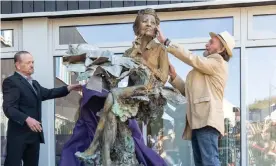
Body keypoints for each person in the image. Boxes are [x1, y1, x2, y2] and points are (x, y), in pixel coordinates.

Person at [156, 27, 235, 166]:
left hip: (207, 121)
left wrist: (167, 42)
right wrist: (174, 77)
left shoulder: (217, 62)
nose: (207, 44)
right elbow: (188, 92)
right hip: (199, 122)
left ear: (222, 49)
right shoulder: (208, 68)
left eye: (211, 42)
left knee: (209, 162)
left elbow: (192, 59)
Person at [2, 51, 81, 166]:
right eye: (28, 62)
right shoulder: (11, 82)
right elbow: (8, 108)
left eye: (32, 62)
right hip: (18, 137)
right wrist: (27, 119)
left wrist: (69, 88)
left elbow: (49, 93)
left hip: (34, 135)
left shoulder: (34, 84)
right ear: (18, 65)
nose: (32, 65)